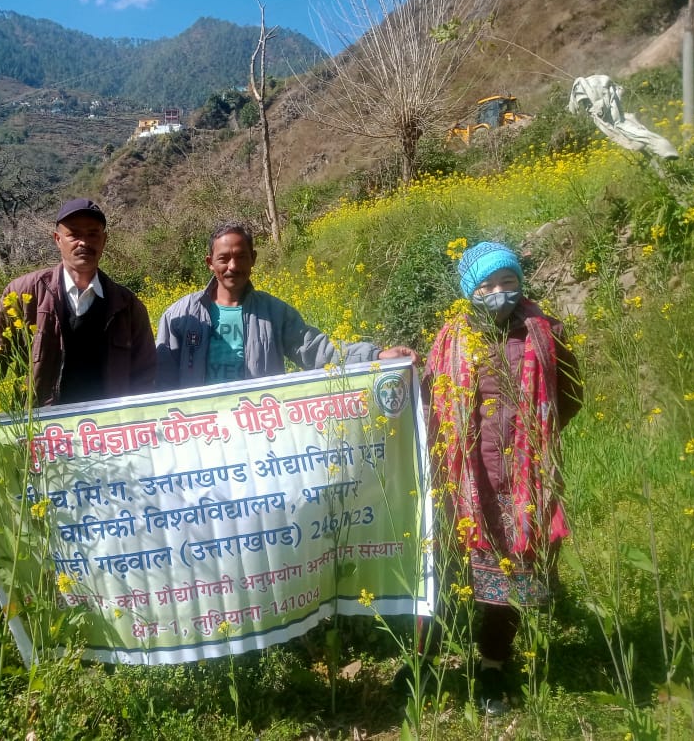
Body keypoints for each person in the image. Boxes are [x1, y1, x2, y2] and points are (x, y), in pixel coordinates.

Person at [0, 197, 157, 711]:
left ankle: (102, 667)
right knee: (16, 566)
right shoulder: (26, 293)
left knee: (109, 561)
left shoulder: (127, 306)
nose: (84, 240)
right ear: (57, 239)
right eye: (73, 232)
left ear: (104, 240)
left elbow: (146, 387)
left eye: (93, 232)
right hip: (38, 458)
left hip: (105, 461)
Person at [423, 241, 583, 715]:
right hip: (473, 483)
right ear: (470, 290)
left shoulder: (544, 331)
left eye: (509, 282)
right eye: (488, 285)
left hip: (526, 481)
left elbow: (571, 393)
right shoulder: (453, 339)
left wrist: (538, 440)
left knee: (515, 578)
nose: (499, 292)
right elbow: (433, 405)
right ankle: (430, 664)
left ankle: (493, 668)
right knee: (466, 577)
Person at [155, 221, 419, 389]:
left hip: (258, 425)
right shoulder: (180, 316)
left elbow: (318, 352)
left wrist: (376, 356)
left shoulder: (274, 313)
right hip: (197, 434)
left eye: (241, 257)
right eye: (223, 259)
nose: (233, 266)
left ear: (253, 259)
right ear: (210, 263)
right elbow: (162, 382)